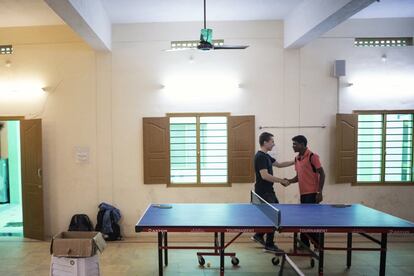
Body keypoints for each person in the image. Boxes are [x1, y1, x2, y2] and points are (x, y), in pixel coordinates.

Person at [251, 132, 293, 252]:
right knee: (274, 217)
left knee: (274, 216)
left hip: (269, 191)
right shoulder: (260, 157)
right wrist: (281, 181)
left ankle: (259, 235)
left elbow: (279, 165)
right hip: (264, 192)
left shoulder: (267, 156)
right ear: (265, 142)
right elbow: (264, 176)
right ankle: (269, 244)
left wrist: (295, 161)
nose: (274, 144)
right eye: (272, 142)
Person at [286, 135, 325, 250]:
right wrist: (288, 181)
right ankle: (304, 244)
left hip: (312, 193)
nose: (293, 146)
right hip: (303, 194)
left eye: (295, 144)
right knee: (303, 220)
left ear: (302, 145)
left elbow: (322, 174)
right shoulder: (297, 159)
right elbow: (298, 177)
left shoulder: (313, 156)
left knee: (310, 222)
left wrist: (320, 192)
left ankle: (318, 245)